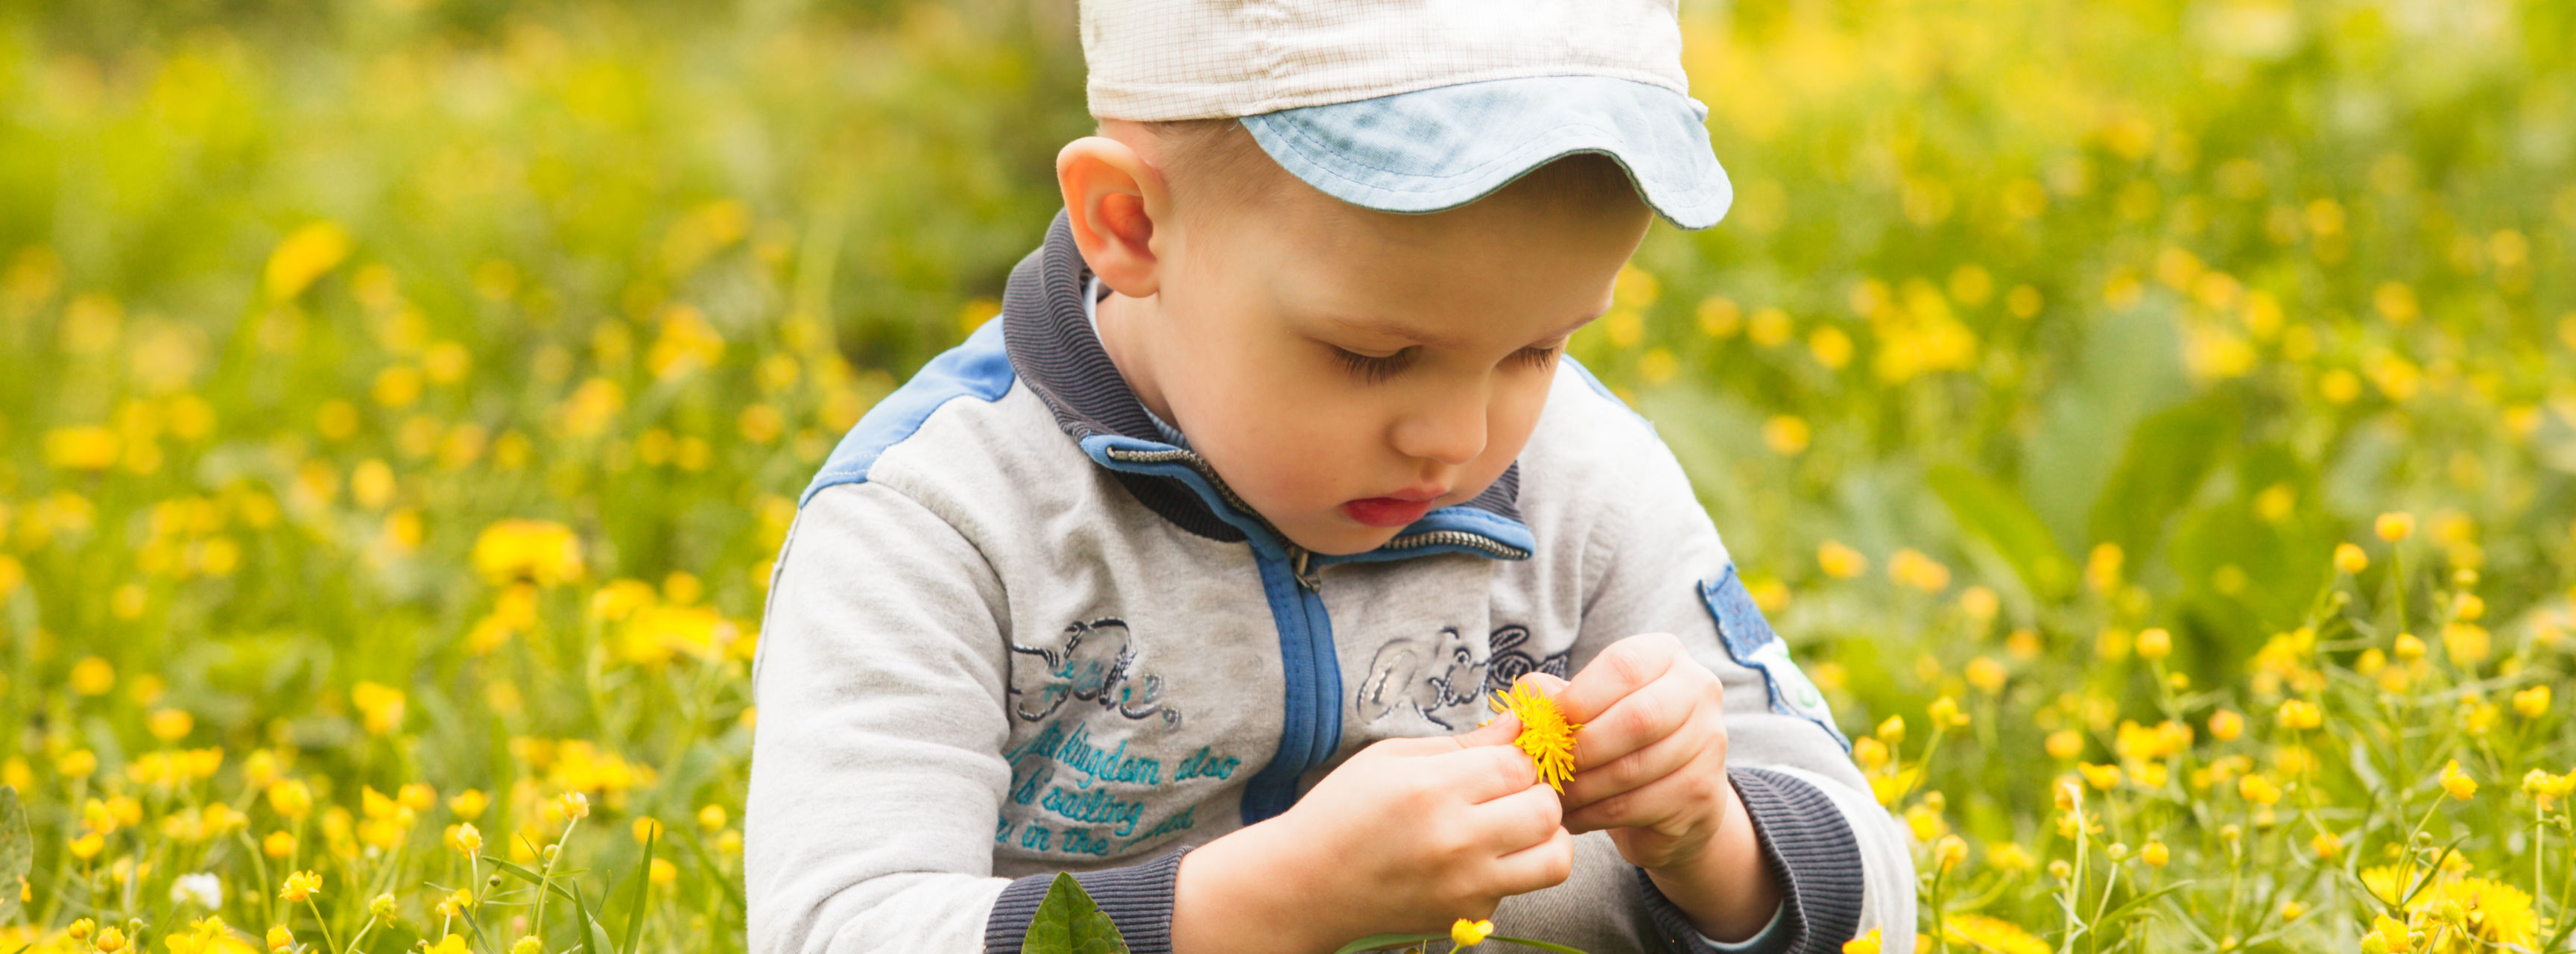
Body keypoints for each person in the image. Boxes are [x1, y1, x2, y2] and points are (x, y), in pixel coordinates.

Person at [743, 1, 1917, 951]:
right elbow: (837, 927)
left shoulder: (1584, 480)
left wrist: (1708, 834)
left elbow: (1880, 897)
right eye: (1373, 354)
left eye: (1538, 348)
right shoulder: (937, 523)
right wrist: (1265, 904)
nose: (1457, 437)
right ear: (1131, 225)